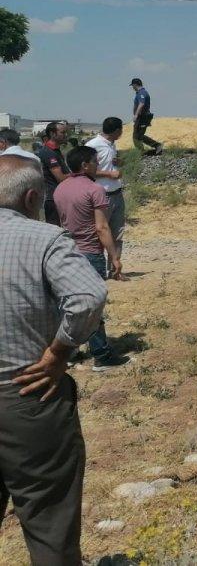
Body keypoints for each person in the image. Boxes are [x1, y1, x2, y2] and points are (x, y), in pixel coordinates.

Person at [0, 156, 108, 564]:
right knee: (48, 518)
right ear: (31, 198)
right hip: (27, 392)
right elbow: (88, 297)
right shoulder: (43, 238)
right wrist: (59, 352)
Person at [53, 147, 130, 372]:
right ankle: (101, 355)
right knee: (93, 306)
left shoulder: (61, 188)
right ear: (85, 165)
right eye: (95, 162)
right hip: (90, 253)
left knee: (68, 304)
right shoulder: (95, 190)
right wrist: (114, 257)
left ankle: (68, 352)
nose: (98, 166)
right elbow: (101, 227)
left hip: (67, 251)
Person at [86, 117, 127, 278]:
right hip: (101, 196)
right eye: (121, 130)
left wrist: (117, 164)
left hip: (116, 193)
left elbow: (109, 164)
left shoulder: (111, 145)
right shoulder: (93, 145)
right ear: (116, 131)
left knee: (117, 233)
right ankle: (96, 270)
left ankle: (114, 269)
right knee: (100, 234)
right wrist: (109, 174)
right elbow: (85, 170)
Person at [36, 121, 71, 224]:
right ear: (52, 134)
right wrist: (78, 174)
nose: (66, 135)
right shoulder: (48, 152)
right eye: (63, 132)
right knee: (54, 228)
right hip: (52, 198)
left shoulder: (56, 151)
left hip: (58, 195)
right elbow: (60, 178)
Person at [129, 78, 163, 155]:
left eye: (132, 86)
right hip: (142, 117)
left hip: (142, 117)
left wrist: (136, 115)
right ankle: (150, 148)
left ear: (135, 84)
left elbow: (141, 104)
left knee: (136, 137)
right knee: (139, 136)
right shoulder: (140, 93)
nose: (132, 88)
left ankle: (144, 151)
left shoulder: (142, 93)